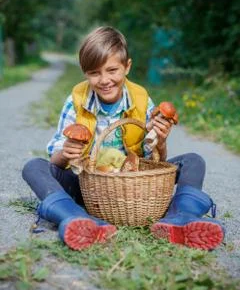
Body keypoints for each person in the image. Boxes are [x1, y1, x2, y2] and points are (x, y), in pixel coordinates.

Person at [22, 26, 224, 251]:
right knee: (34, 167)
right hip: (89, 186)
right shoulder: (77, 99)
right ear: (85, 72)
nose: (104, 80)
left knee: (194, 161)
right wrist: (65, 153)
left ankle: (181, 217)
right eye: (94, 73)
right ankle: (76, 217)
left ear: (127, 67)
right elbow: (56, 163)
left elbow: (155, 162)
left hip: (134, 183)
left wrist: (161, 141)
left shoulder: (141, 99)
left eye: (112, 70)